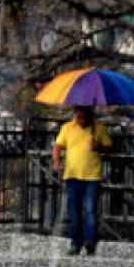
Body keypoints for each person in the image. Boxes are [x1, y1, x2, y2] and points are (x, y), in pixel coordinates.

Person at [52, 105, 112, 256]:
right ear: (75, 115)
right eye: (79, 117)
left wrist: (98, 147)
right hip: (72, 175)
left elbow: (109, 147)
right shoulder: (67, 128)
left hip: (92, 176)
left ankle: (90, 241)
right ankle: (75, 243)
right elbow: (58, 146)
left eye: (85, 117)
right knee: (73, 212)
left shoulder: (98, 128)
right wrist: (56, 161)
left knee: (91, 210)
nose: (82, 120)